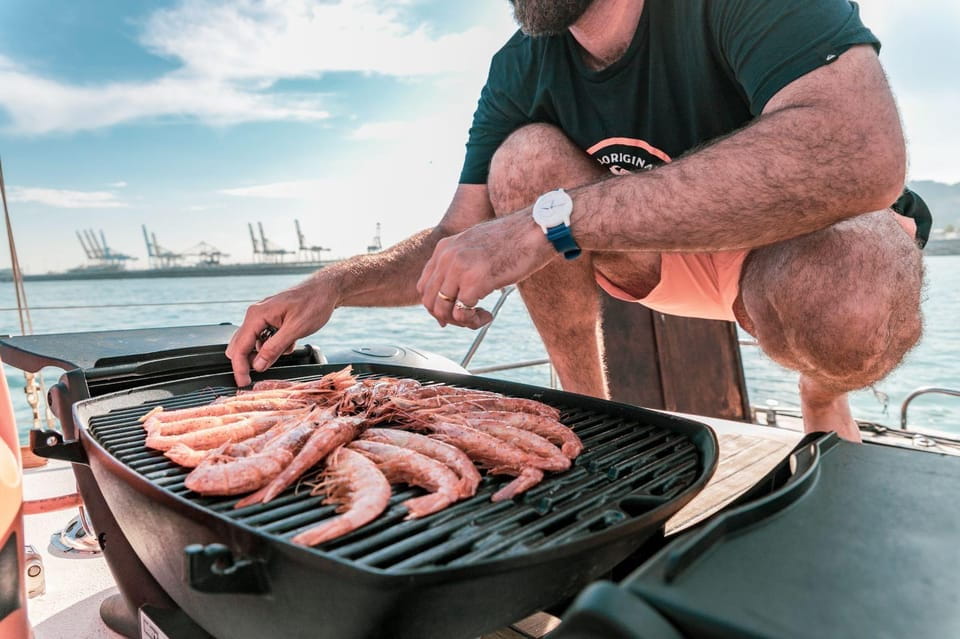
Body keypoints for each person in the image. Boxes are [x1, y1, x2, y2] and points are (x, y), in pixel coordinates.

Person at [227, 0, 930, 443]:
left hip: (795, 239)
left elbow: (860, 150)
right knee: (523, 159)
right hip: (650, 255)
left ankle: (821, 388)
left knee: (851, 298)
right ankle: (585, 416)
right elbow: (458, 237)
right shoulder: (519, 68)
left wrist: (546, 225)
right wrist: (331, 286)